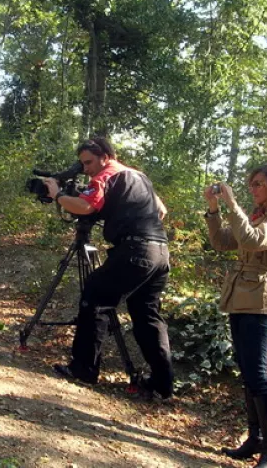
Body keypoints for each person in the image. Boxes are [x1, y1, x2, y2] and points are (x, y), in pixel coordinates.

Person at [44, 136, 174, 399]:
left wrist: (57, 194)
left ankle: (84, 369)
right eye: (82, 164)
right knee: (146, 315)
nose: (86, 168)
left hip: (135, 250)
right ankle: (163, 383)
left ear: (105, 156)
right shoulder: (139, 175)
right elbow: (161, 210)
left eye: (89, 162)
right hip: (159, 252)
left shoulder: (107, 174)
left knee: (95, 294)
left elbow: (85, 206)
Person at [203, 164, 267, 468]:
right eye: (251, 184)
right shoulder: (257, 216)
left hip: (260, 298)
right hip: (240, 295)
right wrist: (214, 208)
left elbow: (254, 241)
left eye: (258, 184)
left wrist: (232, 205)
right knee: (245, 369)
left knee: (257, 372)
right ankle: (255, 438)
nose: (252, 188)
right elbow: (222, 242)